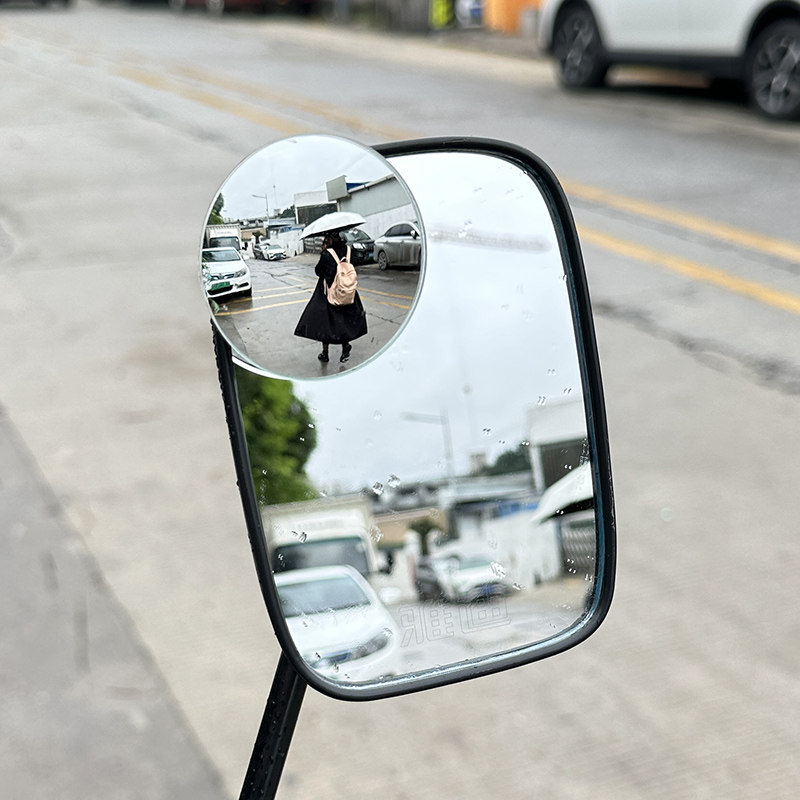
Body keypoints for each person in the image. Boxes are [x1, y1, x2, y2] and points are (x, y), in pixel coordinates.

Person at [294, 231, 368, 363]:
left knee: (326, 323)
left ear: (329, 241)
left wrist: (324, 253)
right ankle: (345, 347)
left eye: (326, 240)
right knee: (344, 321)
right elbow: (355, 262)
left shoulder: (327, 254)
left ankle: (325, 353)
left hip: (329, 292)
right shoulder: (348, 250)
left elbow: (318, 271)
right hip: (347, 291)